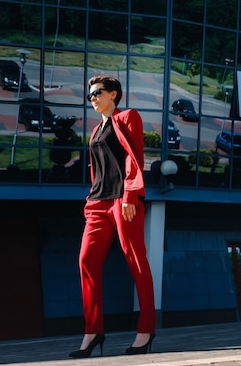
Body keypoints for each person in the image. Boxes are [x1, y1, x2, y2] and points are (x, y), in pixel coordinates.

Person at [69, 75, 156, 358]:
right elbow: (98, 170)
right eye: (89, 95)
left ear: (113, 94)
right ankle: (93, 332)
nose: (92, 98)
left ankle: (146, 329)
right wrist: (90, 201)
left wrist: (131, 195)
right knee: (86, 261)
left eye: (97, 93)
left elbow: (135, 157)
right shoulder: (95, 130)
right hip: (98, 204)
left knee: (136, 261)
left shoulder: (128, 117)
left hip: (123, 200)